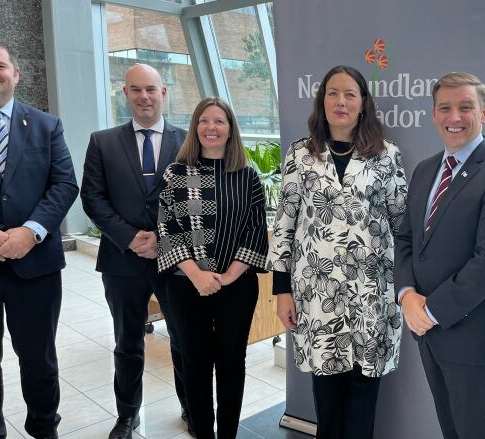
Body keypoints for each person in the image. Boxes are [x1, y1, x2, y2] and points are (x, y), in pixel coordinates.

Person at [267, 65, 407, 439]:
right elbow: (284, 223)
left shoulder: (387, 156)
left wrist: (408, 287)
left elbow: (402, 224)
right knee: (327, 396)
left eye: (350, 94)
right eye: (333, 93)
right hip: (317, 293)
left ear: (363, 104)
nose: (341, 101)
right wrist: (282, 290)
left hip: (373, 294)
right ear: (322, 101)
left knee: (364, 393)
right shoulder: (300, 155)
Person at [394, 72, 485, 439]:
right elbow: (405, 237)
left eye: (465, 107)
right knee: (449, 428)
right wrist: (406, 296)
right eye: (445, 108)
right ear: (434, 116)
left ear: (484, 112)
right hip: (426, 329)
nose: (455, 117)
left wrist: (430, 311)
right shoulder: (425, 169)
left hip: (469, 335)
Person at [0, 38, 78, 439]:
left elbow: (64, 184)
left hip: (36, 266)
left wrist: (31, 231)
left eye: (0, 65)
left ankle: (44, 429)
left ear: (16, 73)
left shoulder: (46, 124)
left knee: (40, 360)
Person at [80, 63, 189, 439]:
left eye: (151, 90)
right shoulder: (102, 141)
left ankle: (191, 408)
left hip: (177, 261)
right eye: (136, 90)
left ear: (164, 93)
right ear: (124, 93)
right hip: (122, 261)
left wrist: (163, 238)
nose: (144, 97)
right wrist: (129, 238)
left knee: (183, 337)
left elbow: (199, 200)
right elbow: (92, 197)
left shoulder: (188, 140)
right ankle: (127, 415)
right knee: (127, 342)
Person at [157, 96, 268, 439]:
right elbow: (167, 228)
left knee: (232, 364)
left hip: (237, 286)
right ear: (195, 128)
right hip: (186, 285)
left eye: (219, 121)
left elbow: (255, 228)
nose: (211, 127)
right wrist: (197, 274)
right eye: (204, 121)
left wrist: (230, 275)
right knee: (195, 365)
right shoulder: (176, 174)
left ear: (231, 129)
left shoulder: (247, 175)